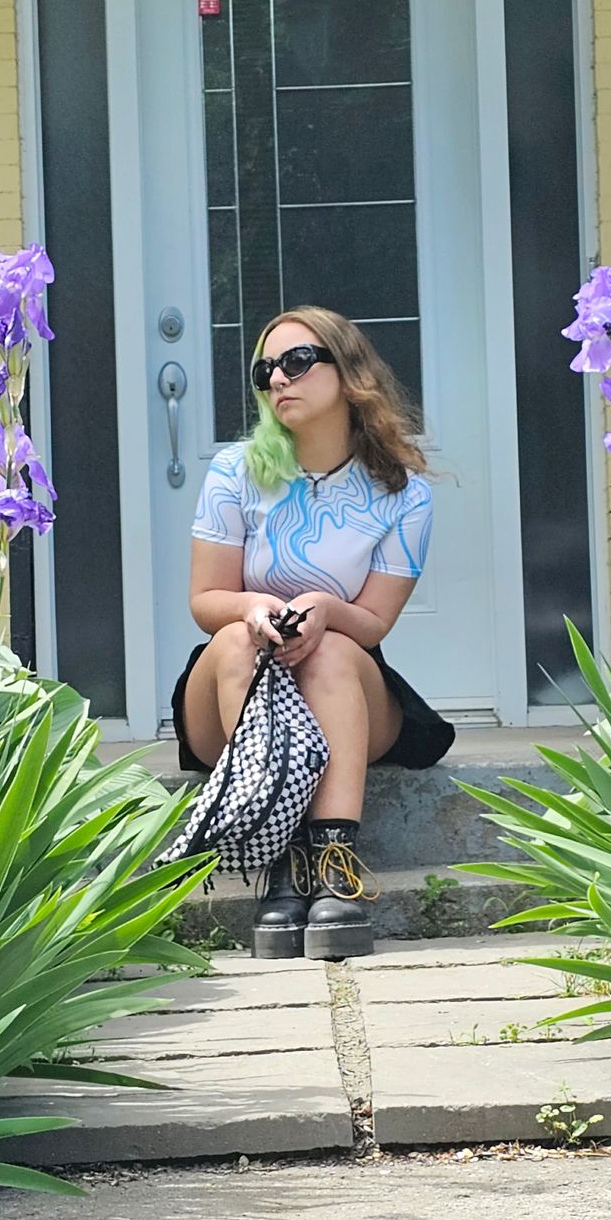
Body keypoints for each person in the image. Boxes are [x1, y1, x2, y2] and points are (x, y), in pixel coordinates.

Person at [172, 305, 456, 961]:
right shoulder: (235, 471)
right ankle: (281, 859)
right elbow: (205, 599)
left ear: (347, 372)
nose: (278, 379)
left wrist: (324, 607)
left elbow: (376, 621)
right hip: (234, 682)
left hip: (342, 682)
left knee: (328, 647)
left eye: (297, 361)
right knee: (242, 639)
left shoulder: (403, 493)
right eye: (264, 369)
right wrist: (253, 609)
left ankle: (332, 868)